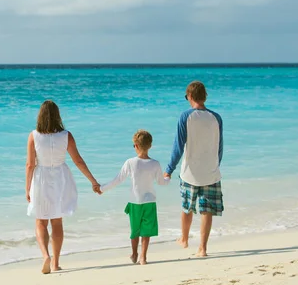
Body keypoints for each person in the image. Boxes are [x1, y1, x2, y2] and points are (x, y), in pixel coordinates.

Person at [25, 100, 101, 274]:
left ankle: (45, 256)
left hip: (41, 177)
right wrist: (93, 181)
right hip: (61, 177)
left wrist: (27, 188)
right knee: (57, 221)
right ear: (57, 115)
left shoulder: (34, 135)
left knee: (41, 221)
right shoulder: (66, 135)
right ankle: (56, 263)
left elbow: (30, 164)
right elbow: (78, 161)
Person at [164, 81, 223, 257]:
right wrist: (215, 164)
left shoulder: (185, 117)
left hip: (190, 172)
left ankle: (184, 239)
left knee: (186, 207)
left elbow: (178, 146)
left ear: (190, 96)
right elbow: (220, 146)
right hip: (211, 171)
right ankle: (203, 248)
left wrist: (169, 169)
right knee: (207, 210)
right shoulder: (216, 118)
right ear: (204, 97)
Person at [100, 130, 170, 265]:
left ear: (136, 146)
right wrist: (167, 177)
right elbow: (161, 182)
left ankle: (134, 253)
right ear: (150, 146)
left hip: (134, 201)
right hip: (149, 201)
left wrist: (102, 189)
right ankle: (143, 257)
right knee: (146, 230)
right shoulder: (155, 163)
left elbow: (118, 180)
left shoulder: (130, 162)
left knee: (135, 230)